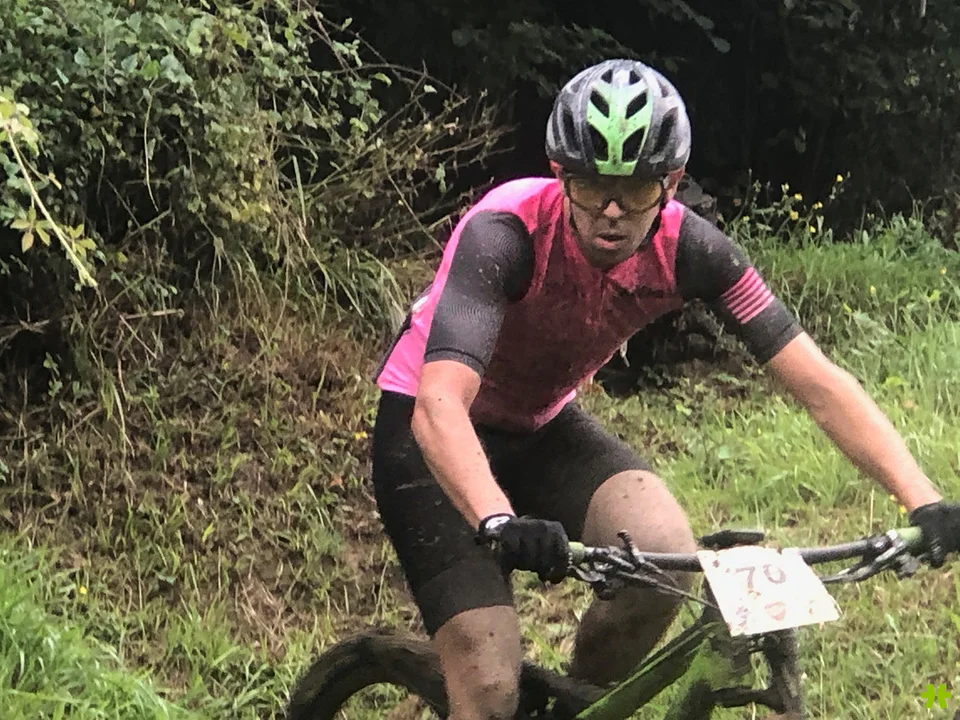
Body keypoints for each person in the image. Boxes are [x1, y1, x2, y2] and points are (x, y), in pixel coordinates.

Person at [369, 58, 960, 719]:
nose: (612, 210)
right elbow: (439, 402)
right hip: (427, 431)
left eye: (636, 188)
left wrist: (923, 499)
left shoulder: (694, 251)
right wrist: (497, 519)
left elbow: (817, 382)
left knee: (667, 560)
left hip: (540, 425)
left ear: (671, 183)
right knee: (488, 687)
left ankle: (576, 710)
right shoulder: (505, 233)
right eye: (592, 186)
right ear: (561, 175)